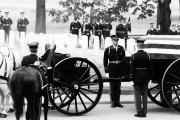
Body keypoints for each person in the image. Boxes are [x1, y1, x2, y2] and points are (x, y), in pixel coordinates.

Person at [103, 35, 125, 108]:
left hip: (119, 69)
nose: (116, 42)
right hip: (111, 69)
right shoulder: (108, 49)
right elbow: (105, 61)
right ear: (112, 41)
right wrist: (106, 71)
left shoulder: (121, 48)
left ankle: (117, 101)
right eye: (114, 40)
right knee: (112, 86)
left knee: (118, 87)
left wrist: (123, 71)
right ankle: (112, 102)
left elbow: (123, 60)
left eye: (117, 40)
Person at [130, 43, 151, 117]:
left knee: (137, 95)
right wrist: (149, 78)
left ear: (137, 46)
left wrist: (131, 79)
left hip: (137, 77)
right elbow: (149, 68)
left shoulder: (134, 56)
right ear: (144, 46)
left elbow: (132, 69)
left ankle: (139, 112)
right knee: (145, 95)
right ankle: (144, 112)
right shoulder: (147, 55)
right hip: (145, 77)